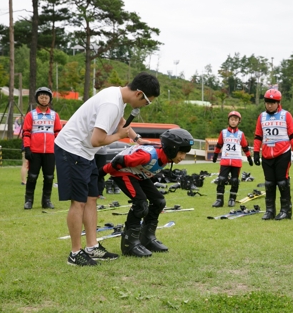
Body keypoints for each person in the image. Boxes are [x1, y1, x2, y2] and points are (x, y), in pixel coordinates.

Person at [54, 71, 160, 267]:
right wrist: (119, 136)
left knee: (91, 197)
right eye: (147, 102)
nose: (146, 106)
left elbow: (121, 123)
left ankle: (92, 247)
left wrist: (136, 139)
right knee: (78, 202)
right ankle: (75, 252)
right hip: (72, 149)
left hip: (86, 152)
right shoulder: (111, 103)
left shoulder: (117, 97)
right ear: (139, 94)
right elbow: (97, 140)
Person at [101, 128, 194, 257]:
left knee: (159, 201)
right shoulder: (147, 156)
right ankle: (130, 244)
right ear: (172, 148)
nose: (183, 157)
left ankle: (146, 238)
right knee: (140, 204)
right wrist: (100, 173)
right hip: (123, 172)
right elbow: (119, 161)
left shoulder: (166, 155)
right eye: (181, 152)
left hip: (139, 174)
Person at [253, 88, 293, 220]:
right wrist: (256, 152)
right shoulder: (261, 116)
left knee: (282, 182)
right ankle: (270, 211)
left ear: (278, 103)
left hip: (283, 153)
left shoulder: (286, 115)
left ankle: (286, 210)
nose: (269, 105)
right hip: (267, 154)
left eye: (272, 102)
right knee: (269, 183)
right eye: (267, 102)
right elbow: (258, 136)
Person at [22, 87, 62, 209]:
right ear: (37, 99)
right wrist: (27, 148)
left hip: (50, 152)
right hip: (35, 152)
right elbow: (26, 133)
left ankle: (46, 201)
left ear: (50, 99)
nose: (44, 100)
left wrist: (58, 148)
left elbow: (58, 133)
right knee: (32, 176)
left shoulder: (55, 115)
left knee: (49, 177)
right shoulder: (31, 115)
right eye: (41, 97)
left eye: (46, 97)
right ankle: (28, 200)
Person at [211, 111, 253, 208]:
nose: (233, 122)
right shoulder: (224, 133)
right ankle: (219, 200)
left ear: (239, 121)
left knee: (234, 180)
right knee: (221, 179)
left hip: (236, 161)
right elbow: (219, 145)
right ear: (229, 120)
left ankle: (232, 199)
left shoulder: (240, 134)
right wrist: (215, 155)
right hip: (225, 160)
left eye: (236, 120)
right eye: (232, 120)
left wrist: (249, 158)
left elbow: (245, 147)